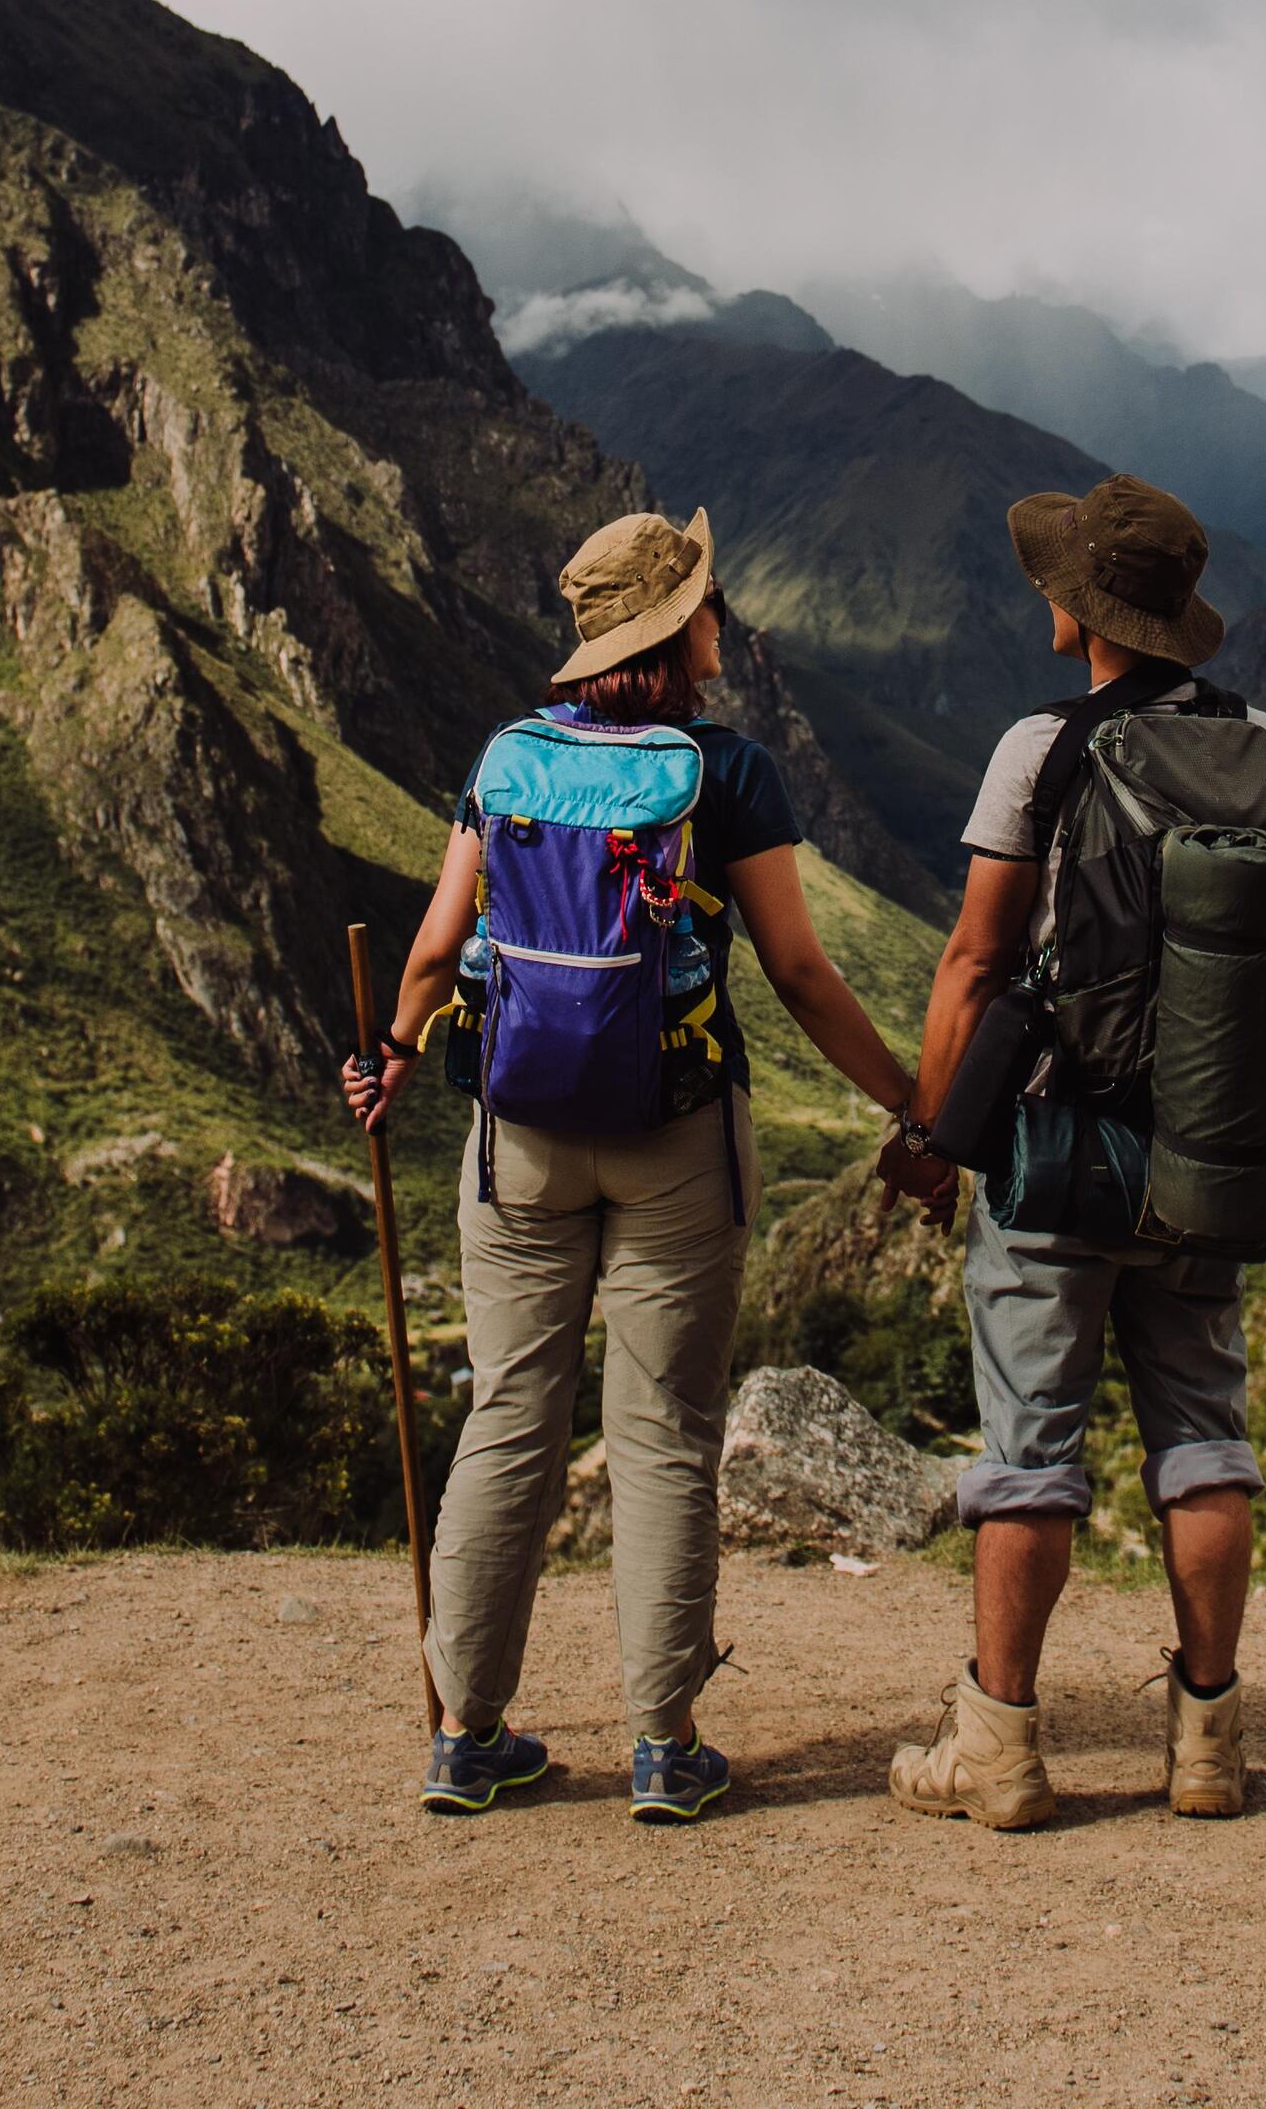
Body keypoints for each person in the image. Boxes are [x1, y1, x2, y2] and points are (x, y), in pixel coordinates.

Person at [345, 506, 945, 1825]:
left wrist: (390, 1054)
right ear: (679, 636)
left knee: (508, 1415)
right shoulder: (725, 774)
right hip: (676, 1128)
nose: (725, 620)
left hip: (520, 1133)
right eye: (709, 604)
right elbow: (796, 969)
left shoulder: (506, 762)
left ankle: (464, 1732)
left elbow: (438, 951)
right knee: (663, 1428)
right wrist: (908, 1096)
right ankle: (664, 1744)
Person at [890, 474, 1266, 1832]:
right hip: (1210, 1147)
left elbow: (974, 954)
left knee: (1029, 1446)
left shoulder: (1043, 749)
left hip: (1058, 1142)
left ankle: (1001, 1748)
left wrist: (928, 1129)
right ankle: (1207, 1744)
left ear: (1083, 613)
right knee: (1205, 1431)